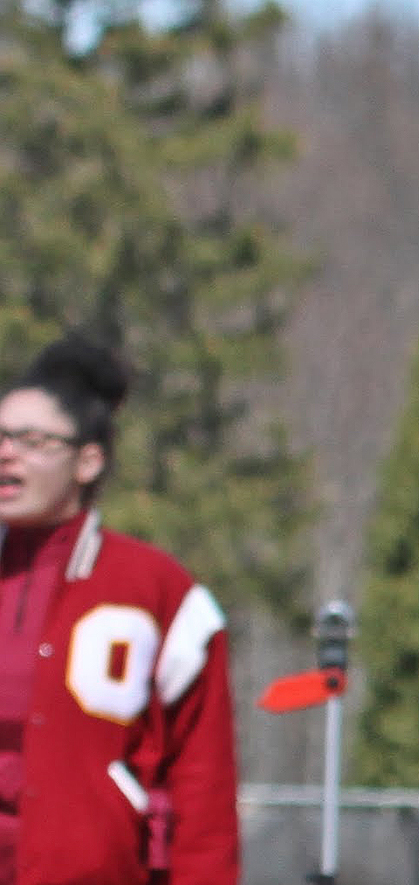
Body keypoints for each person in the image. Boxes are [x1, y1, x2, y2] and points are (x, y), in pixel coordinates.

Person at [0, 334, 240, 884]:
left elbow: (203, 785)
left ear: (88, 461)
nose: (7, 453)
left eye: (33, 441)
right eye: (1, 437)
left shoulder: (154, 590)